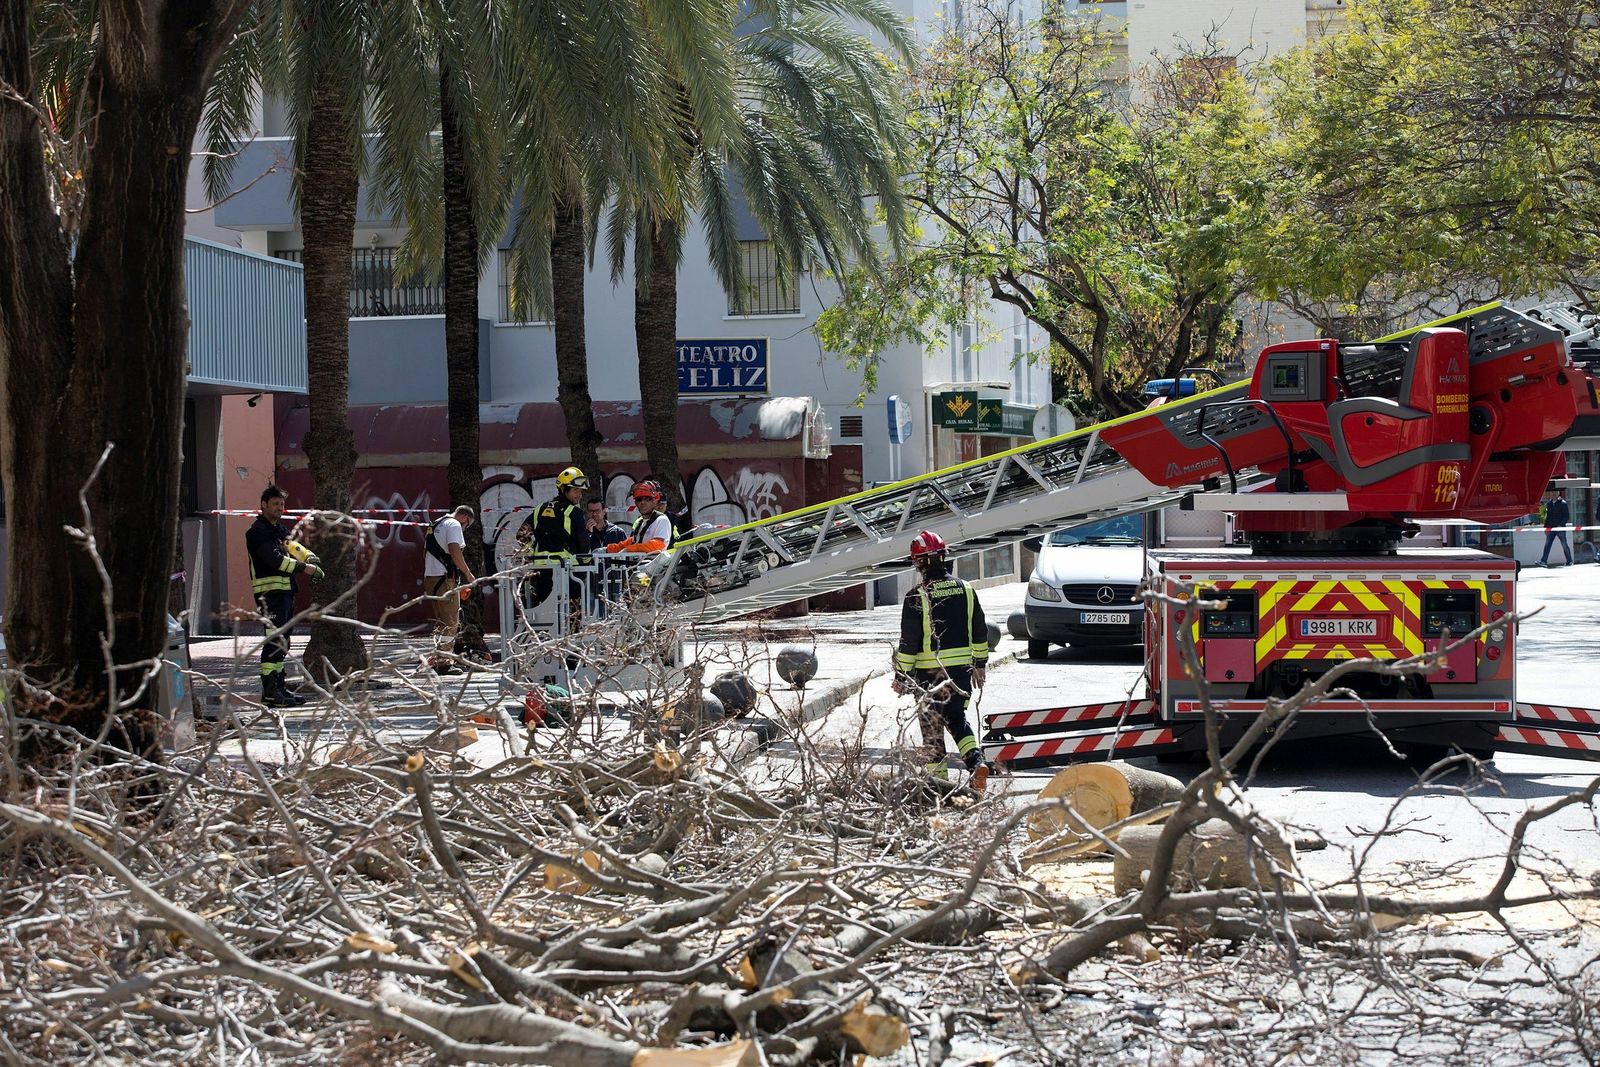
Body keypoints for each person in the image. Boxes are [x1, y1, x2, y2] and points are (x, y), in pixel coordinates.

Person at [893, 529, 990, 793]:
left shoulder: (917, 595)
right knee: (957, 719)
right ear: (943, 557)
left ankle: (940, 789)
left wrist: (901, 676)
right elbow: (980, 631)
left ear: (920, 562)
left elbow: (908, 642)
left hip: (929, 676)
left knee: (933, 730)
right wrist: (979, 664)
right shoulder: (966, 589)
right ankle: (977, 762)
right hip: (961, 673)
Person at [245, 485, 321, 707]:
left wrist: (309, 556)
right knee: (274, 641)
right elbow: (275, 559)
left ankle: (279, 688)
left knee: (283, 642)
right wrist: (304, 568)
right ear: (264, 504)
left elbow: (292, 545)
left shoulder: (277, 530)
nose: (280, 508)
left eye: (282, 504)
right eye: (275, 504)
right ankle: (269, 692)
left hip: (285, 593)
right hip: (269, 595)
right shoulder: (257, 532)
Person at [424, 505, 478, 672]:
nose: (465, 528)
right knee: (450, 622)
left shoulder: (436, 524)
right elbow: (454, 550)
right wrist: (468, 573)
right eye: (467, 525)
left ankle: (438, 657)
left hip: (431, 579)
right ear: (464, 518)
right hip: (445, 579)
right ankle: (444, 663)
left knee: (441, 622)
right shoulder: (454, 525)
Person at [530, 466, 590, 613]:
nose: (579, 495)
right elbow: (584, 547)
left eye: (581, 491)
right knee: (571, 618)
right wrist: (587, 562)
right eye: (576, 490)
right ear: (563, 489)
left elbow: (522, 535)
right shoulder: (575, 513)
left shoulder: (539, 509)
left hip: (542, 573)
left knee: (545, 615)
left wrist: (531, 555)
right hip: (568, 575)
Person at [628, 480, 675, 546]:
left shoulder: (661, 520)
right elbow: (632, 541)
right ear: (635, 503)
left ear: (655, 501)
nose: (643, 502)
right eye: (639, 499)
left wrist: (630, 549)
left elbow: (657, 545)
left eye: (647, 499)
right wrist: (612, 548)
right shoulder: (640, 522)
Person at [1538, 489, 1572, 567]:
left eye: (1555, 492)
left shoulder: (1563, 503)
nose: (1553, 494)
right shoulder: (1549, 504)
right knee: (1547, 545)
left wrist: (1561, 525)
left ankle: (1569, 561)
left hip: (1560, 528)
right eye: (1552, 492)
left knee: (1564, 544)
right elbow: (1548, 516)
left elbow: (1566, 516)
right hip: (1551, 528)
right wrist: (1546, 527)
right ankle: (1543, 561)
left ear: (1558, 493)